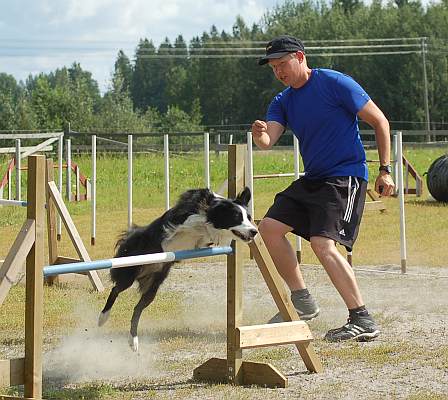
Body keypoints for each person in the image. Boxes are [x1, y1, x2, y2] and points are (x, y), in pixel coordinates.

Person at [252, 35, 395, 342]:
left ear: (300, 57)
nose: (278, 72)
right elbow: (268, 141)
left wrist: (386, 170)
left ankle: (362, 318)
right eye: (273, 67)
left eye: (282, 64)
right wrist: (260, 135)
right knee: (269, 228)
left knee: (322, 244)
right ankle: (302, 301)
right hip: (314, 179)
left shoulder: (334, 82)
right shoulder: (282, 101)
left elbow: (380, 121)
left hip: (346, 178)